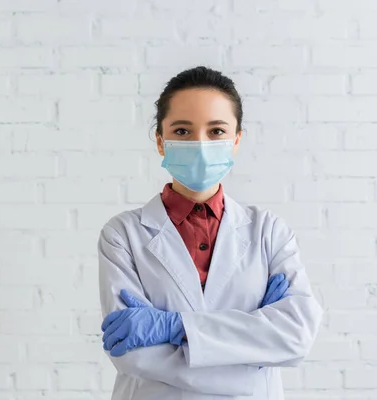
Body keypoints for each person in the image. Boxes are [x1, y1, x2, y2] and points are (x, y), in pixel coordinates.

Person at [98, 66, 323, 400]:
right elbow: (134, 357)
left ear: (236, 141)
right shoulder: (123, 235)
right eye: (183, 131)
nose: (200, 144)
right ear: (160, 141)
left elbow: (297, 336)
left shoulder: (269, 233)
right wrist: (252, 360)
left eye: (216, 131)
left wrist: (175, 328)